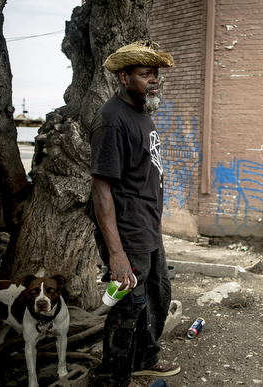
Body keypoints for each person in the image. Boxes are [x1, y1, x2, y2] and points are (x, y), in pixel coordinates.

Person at [85, 40, 180, 387]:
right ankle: (113, 375)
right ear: (124, 77)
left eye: (156, 74)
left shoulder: (141, 111)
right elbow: (101, 190)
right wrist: (116, 253)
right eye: (146, 74)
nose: (154, 80)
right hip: (126, 229)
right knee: (128, 304)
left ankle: (144, 358)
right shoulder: (111, 121)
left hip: (146, 225)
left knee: (158, 293)